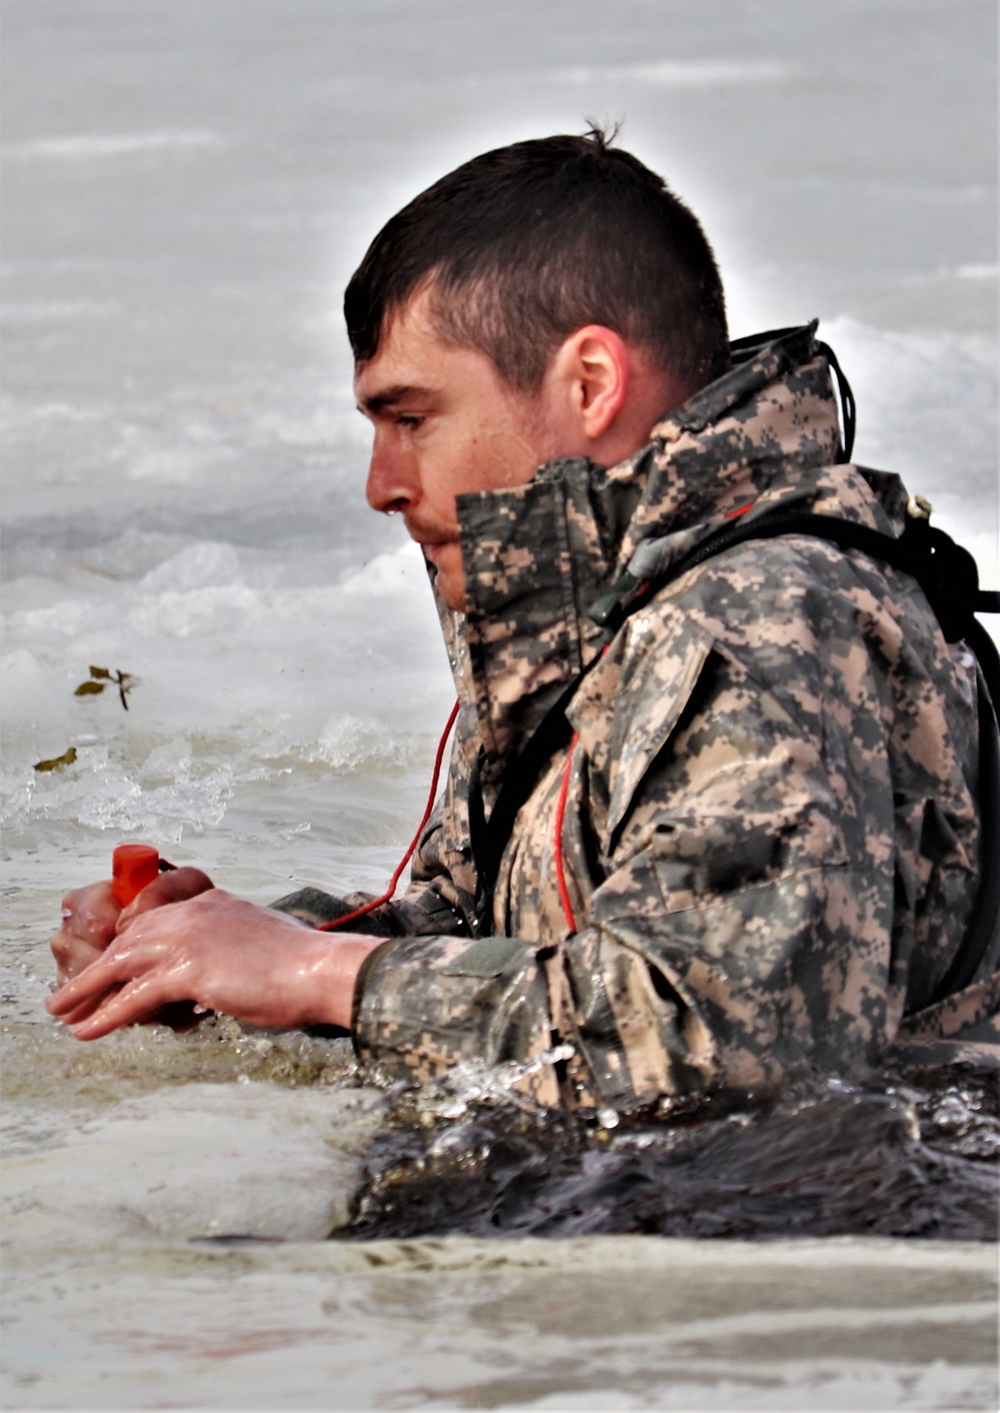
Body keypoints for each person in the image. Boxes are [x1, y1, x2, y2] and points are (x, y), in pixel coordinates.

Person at [47, 129, 998, 1113]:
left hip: (831, 1217)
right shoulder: (590, 616)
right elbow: (496, 933)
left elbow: (725, 1039)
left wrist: (307, 976)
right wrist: (223, 952)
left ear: (589, 383)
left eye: (411, 418)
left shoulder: (759, 617)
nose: (380, 485)